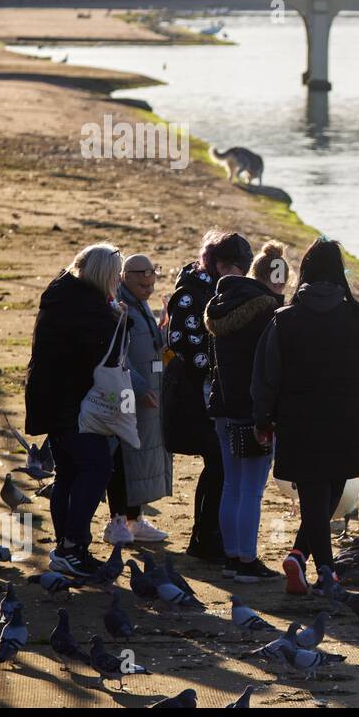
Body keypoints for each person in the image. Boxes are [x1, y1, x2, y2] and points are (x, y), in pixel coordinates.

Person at [252, 237, 359, 594]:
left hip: (300, 419)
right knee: (330, 487)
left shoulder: (284, 320)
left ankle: (301, 557)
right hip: (347, 418)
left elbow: (266, 376)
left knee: (315, 491)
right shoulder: (357, 315)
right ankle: (326, 571)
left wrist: (262, 418)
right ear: (340, 274)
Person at [25, 243, 123, 576]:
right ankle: (72, 545)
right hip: (74, 403)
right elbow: (98, 355)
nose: (118, 280)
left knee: (68, 472)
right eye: (116, 274)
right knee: (96, 468)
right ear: (103, 275)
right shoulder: (88, 307)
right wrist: (119, 322)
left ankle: (67, 547)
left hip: (52, 399)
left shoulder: (62, 293)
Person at [163, 230, 253, 562]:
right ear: (216, 263)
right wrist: (216, 366)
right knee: (217, 463)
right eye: (233, 267)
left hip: (216, 391)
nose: (239, 275)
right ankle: (203, 538)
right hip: (197, 394)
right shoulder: (191, 295)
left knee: (219, 465)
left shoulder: (220, 292)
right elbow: (182, 342)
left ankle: (206, 535)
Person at [204, 241, 286, 582]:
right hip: (251, 410)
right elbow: (268, 368)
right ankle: (246, 561)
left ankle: (230, 556)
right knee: (251, 488)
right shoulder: (267, 311)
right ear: (276, 277)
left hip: (222, 404)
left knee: (231, 484)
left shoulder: (218, 304)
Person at [103, 254, 171, 545]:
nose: (148, 288)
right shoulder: (118, 305)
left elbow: (147, 344)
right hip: (126, 396)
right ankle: (116, 522)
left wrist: (163, 329)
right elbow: (119, 356)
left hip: (148, 394)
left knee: (141, 455)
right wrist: (140, 389)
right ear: (124, 277)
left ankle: (135, 520)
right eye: (142, 283)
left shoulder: (139, 302)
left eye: (151, 282)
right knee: (123, 458)